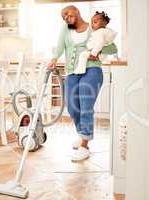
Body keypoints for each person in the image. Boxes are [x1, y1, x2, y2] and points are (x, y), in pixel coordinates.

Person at [48, 6, 117, 161]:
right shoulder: (66, 29)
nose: (65, 17)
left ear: (77, 11)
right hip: (72, 72)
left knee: (86, 108)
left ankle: (84, 144)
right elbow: (59, 46)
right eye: (62, 16)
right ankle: (82, 134)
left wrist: (98, 51)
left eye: (67, 13)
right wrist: (53, 59)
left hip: (92, 71)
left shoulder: (95, 27)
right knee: (72, 108)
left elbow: (113, 47)